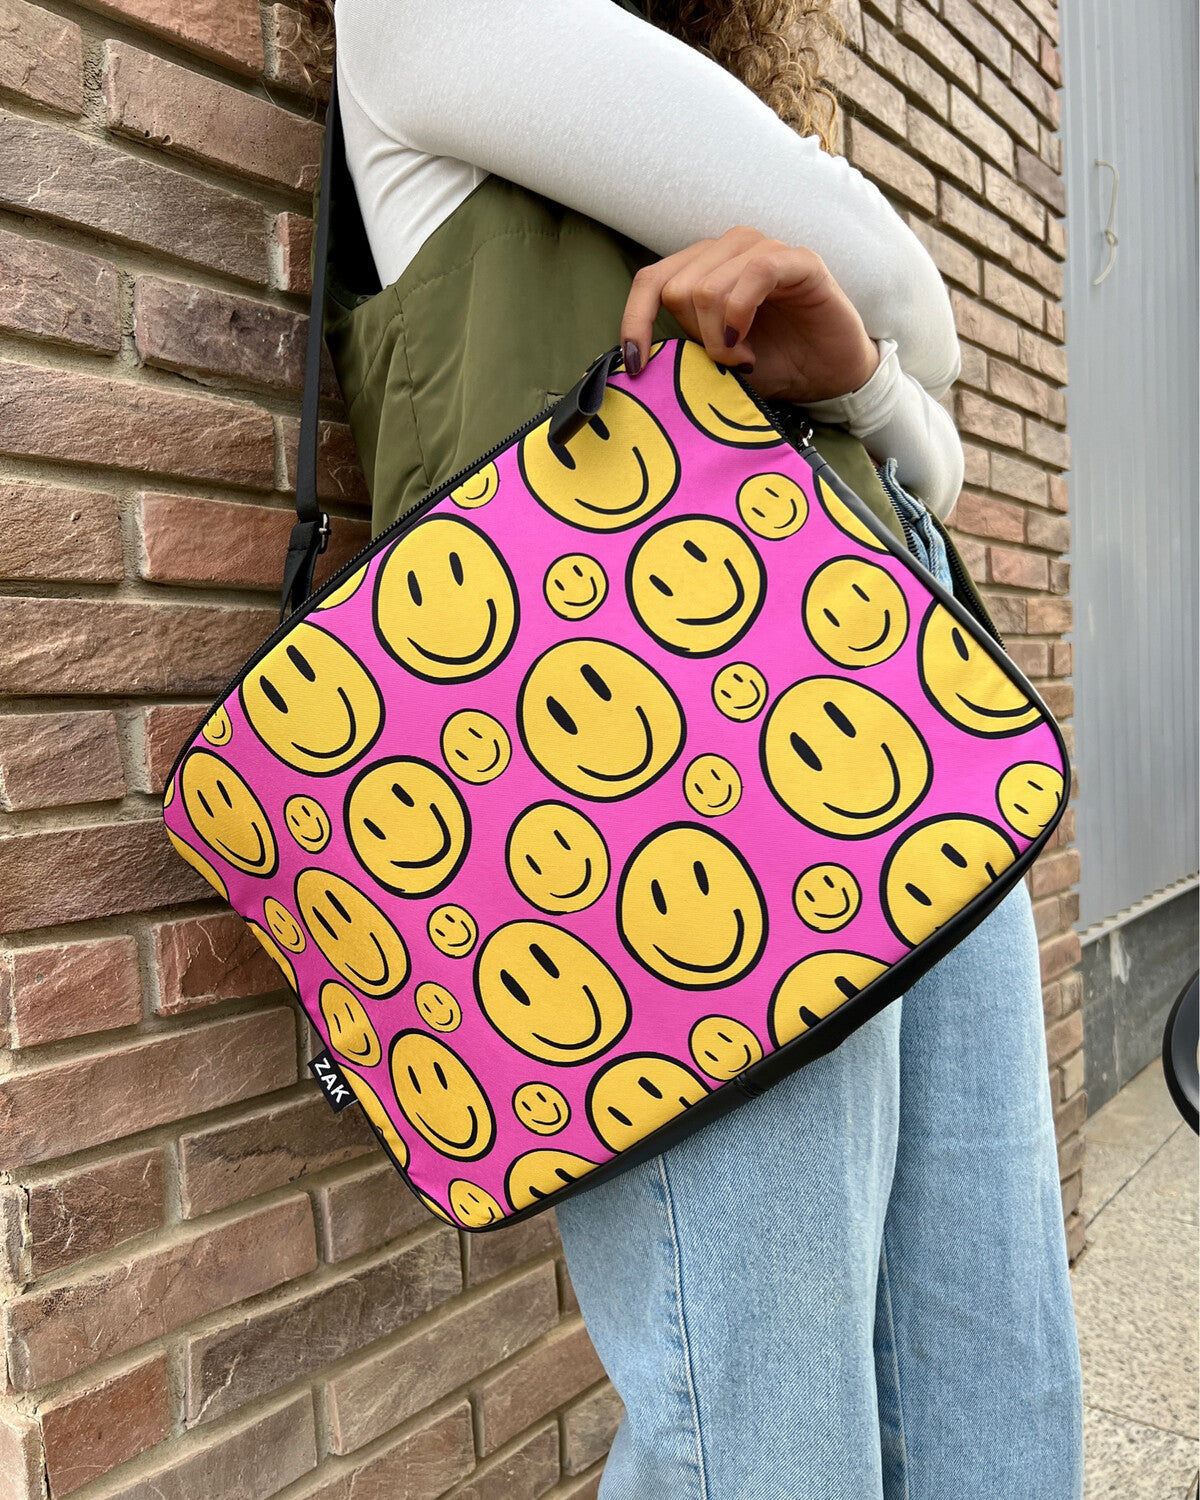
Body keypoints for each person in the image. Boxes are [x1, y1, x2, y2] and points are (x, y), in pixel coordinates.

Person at [326, 2, 1085, 1495]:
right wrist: (888, 351)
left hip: (909, 717)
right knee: (767, 1433)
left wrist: (871, 386)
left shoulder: (641, 75)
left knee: (990, 1357)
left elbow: (921, 438)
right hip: (664, 794)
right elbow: (899, 286)